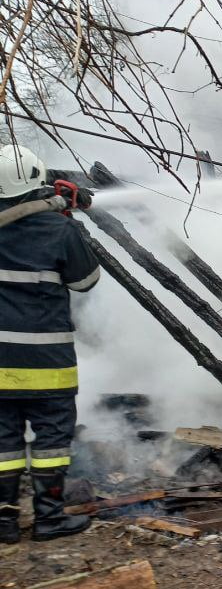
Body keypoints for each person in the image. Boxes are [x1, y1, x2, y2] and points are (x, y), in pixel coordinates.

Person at [0, 145, 99, 544]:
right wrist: (64, 217)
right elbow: (85, 282)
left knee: (2, 444)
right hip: (47, 363)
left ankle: (4, 523)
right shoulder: (60, 229)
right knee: (52, 444)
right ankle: (49, 519)